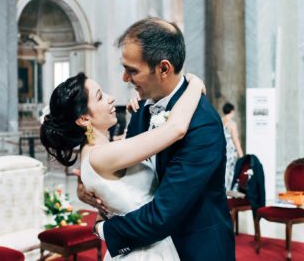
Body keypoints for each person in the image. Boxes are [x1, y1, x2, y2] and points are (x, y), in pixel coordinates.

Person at [77, 17, 235, 261]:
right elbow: (130, 177)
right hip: (149, 248)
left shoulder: (202, 123)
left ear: (163, 68)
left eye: (132, 70)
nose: (124, 78)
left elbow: (164, 214)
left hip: (195, 249)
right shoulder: (141, 111)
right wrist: (93, 186)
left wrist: (103, 229)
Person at [40, 72, 205, 260]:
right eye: (100, 97)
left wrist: (140, 110)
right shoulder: (100, 156)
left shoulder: (101, 150)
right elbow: (176, 129)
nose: (111, 99)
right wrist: (193, 83)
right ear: (84, 119)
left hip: (147, 242)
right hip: (146, 251)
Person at [221, 102, 244, 190]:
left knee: (223, 172)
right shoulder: (231, 124)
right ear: (232, 111)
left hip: (221, 150)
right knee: (231, 172)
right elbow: (235, 140)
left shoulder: (220, 121)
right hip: (230, 151)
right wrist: (241, 154)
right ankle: (229, 192)